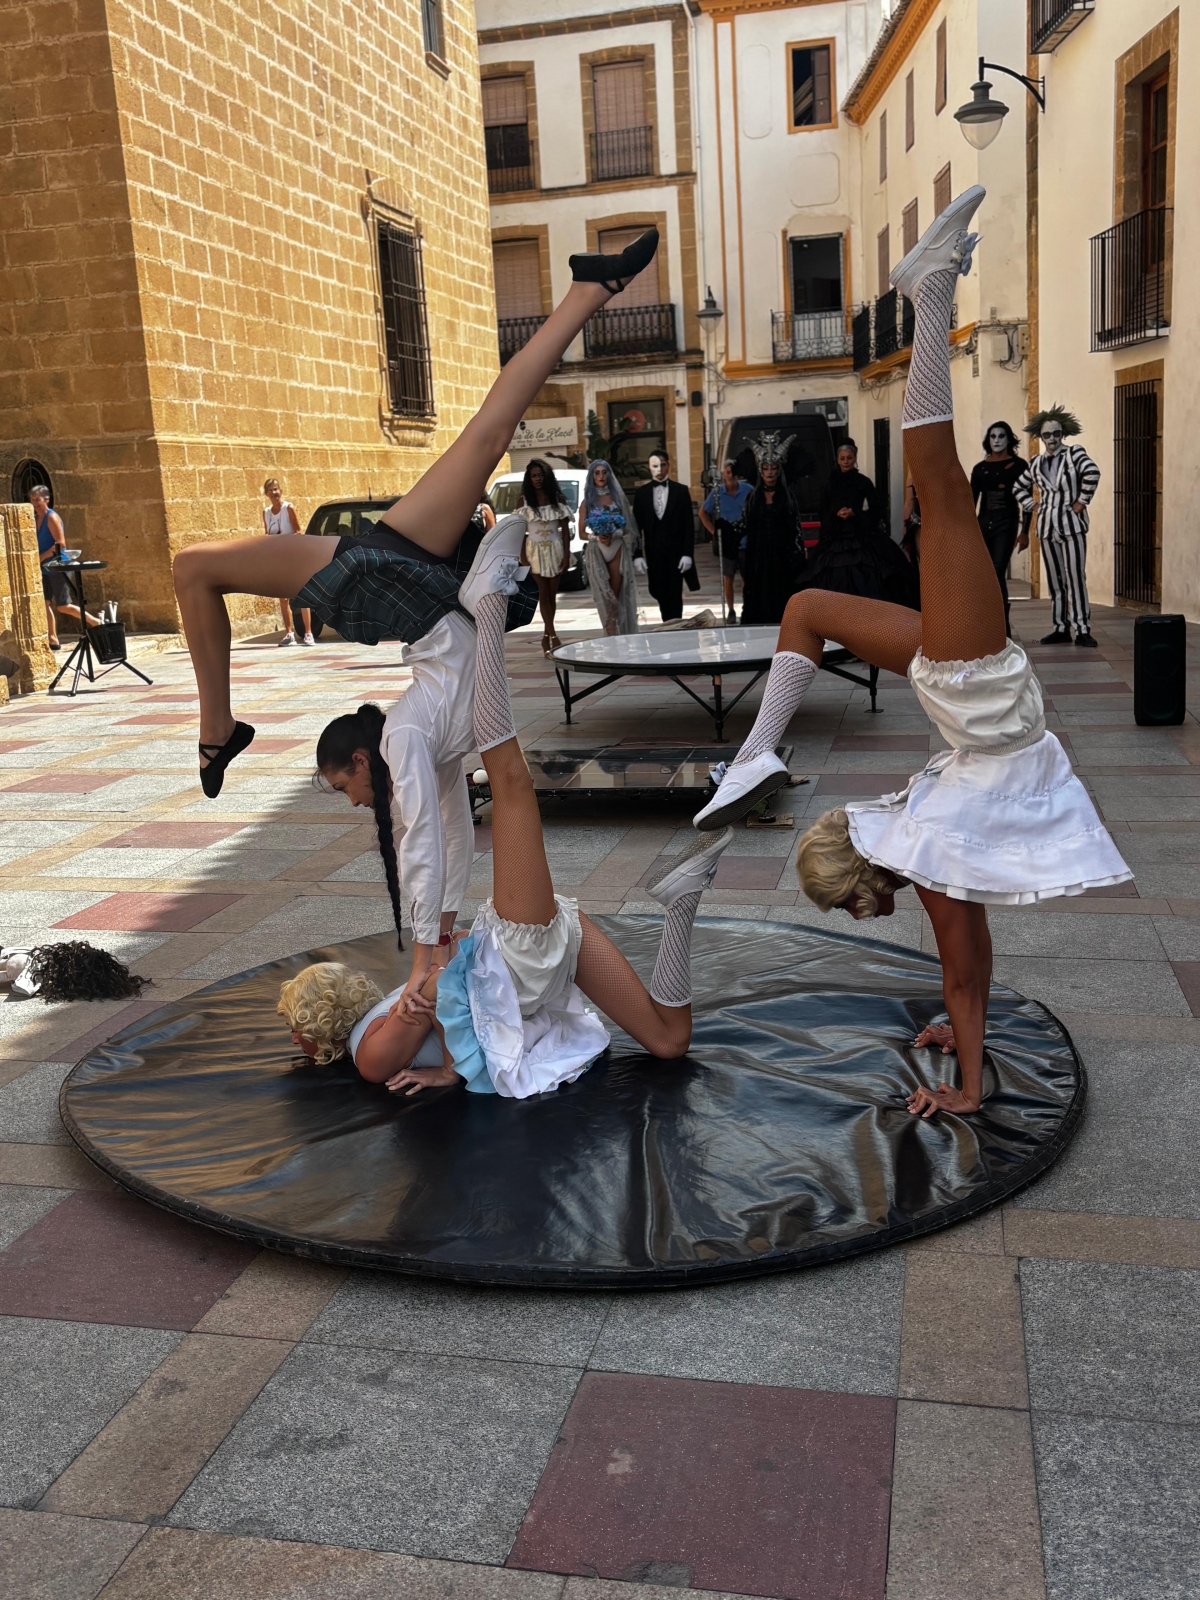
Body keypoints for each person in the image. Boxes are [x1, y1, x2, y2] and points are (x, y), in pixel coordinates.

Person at [690, 186, 1131, 1118]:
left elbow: (968, 976)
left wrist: (967, 1091)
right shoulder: (916, 846)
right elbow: (965, 979)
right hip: (962, 695)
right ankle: (758, 748)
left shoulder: (921, 863)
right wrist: (948, 1028)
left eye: (857, 909)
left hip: (974, 686)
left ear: (863, 886)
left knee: (939, 485)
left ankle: (927, 290)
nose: (870, 920)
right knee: (807, 602)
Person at [171, 227, 661, 798]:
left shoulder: (438, 716)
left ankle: (588, 291)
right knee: (193, 568)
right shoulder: (440, 714)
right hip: (385, 574)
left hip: (393, 565)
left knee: (487, 436)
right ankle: (217, 730)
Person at [294, 551, 733, 1093]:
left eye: (344, 788)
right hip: (532, 959)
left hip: (520, 965)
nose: (354, 802)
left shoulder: (369, 1050)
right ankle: (682, 903)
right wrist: (435, 945)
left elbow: (431, 842)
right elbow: (444, 838)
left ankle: (490, 609)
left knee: (509, 784)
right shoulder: (380, 1022)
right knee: (670, 1042)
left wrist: (430, 955)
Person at [1014, 408, 1101, 648]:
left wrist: (1082, 501)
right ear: (1040, 437)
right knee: (1055, 580)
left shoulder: (1075, 454)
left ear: (1063, 434)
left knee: (1075, 578)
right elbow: (1018, 487)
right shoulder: (1036, 463)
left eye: (1056, 434)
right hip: (1047, 528)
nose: (1052, 439)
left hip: (1072, 526)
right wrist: (1033, 505)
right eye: (1047, 435)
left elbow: (1093, 472)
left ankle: (1083, 628)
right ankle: (1061, 627)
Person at [799, 439, 919, 609]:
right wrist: (835, 514)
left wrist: (856, 514)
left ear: (855, 458)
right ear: (838, 459)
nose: (845, 462)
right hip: (835, 533)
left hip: (860, 531)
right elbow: (823, 510)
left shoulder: (863, 482)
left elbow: (876, 508)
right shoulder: (829, 482)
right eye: (842, 458)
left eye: (849, 458)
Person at [736, 437, 804, 627]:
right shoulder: (752, 498)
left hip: (781, 556)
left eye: (774, 468)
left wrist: (798, 554)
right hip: (758, 557)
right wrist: (726, 529)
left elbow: (796, 528)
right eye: (766, 469)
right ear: (760, 471)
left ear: (779, 470)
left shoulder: (788, 498)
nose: (770, 473)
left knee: (781, 595)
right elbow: (744, 524)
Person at [969, 424, 1030, 637]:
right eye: (993, 436)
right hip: (984, 523)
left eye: (1001, 436)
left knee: (997, 570)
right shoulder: (979, 469)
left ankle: (1003, 628)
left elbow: (1027, 501)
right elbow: (972, 502)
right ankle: (987, 625)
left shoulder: (1019, 466)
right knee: (985, 575)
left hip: (1007, 521)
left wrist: (1025, 532)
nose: (997, 440)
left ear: (1009, 439)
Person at [30, 486, 102, 650]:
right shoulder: (34, 519)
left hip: (58, 566)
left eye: (38, 499)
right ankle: (53, 639)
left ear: (46, 499)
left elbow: (60, 544)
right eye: (32, 499)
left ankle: (95, 622)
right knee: (44, 603)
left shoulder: (51, 518)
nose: (35, 503)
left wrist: (40, 557)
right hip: (43, 567)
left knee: (63, 606)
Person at [517, 459, 573, 656]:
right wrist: (522, 556)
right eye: (533, 476)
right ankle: (554, 636)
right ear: (529, 478)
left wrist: (567, 555)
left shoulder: (558, 499)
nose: (537, 479)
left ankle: (545, 635)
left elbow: (565, 530)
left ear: (546, 476)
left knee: (551, 594)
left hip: (555, 549)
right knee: (542, 593)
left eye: (540, 475)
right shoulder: (523, 500)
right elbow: (520, 532)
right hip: (534, 551)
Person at [579, 459, 641, 637]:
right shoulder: (588, 502)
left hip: (616, 548)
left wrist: (615, 534)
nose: (601, 476)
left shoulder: (618, 500)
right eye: (597, 473)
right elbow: (582, 532)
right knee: (605, 598)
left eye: (604, 472)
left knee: (615, 596)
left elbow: (628, 528)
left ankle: (617, 634)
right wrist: (596, 536)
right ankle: (609, 634)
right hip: (597, 551)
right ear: (592, 476)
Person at [632, 452, 695, 623]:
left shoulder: (680, 491)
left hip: (676, 553)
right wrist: (637, 555)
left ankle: (674, 627)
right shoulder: (642, 494)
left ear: (668, 465)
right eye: (655, 465)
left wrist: (687, 553)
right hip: (654, 554)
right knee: (658, 591)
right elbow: (636, 527)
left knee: (675, 593)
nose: (659, 469)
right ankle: (667, 623)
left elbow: (688, 525)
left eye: (663, 464)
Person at [261, 479, 314, 647]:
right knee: (283, 597)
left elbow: (298, 531)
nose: (274, 493)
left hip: (293, 556)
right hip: (278, 558)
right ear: (266, 493)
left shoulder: (288, 508)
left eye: (276, 489)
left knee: (301, 594)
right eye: (271, 490)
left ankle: (308, 633)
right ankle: (289, 633)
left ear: (280, 491)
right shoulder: (266, 512)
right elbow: (267, 533)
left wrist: (286, 542)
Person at [700, 461, 753, 624]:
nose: (732, 476)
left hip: (745, 541)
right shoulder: (717, 493)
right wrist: (713, 532)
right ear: (724, 475)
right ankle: (730, 610)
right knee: (728, 577)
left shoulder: (748, 490)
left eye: (734, 473)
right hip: (728, 542)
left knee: (747, 578)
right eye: (729, 473)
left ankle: (748, 607)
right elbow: (703, 512)